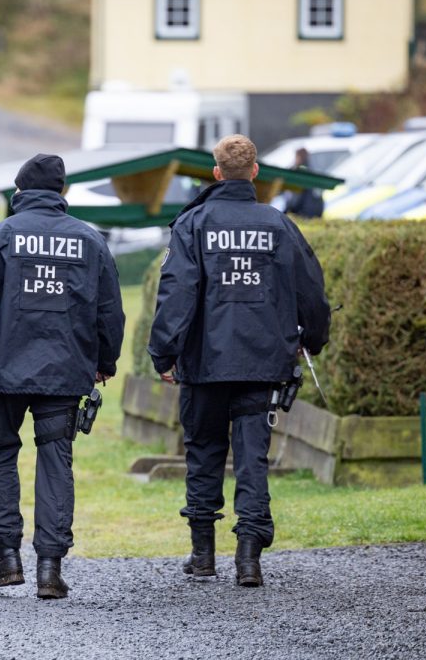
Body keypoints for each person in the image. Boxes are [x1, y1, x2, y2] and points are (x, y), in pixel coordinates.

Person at [148, 135, 330, 587]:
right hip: (262, 362)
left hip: (205, 363)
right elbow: (312, 291)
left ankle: (203, 555)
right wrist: (314, 341)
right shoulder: (278, 225)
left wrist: (163, 353)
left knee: (204, 453)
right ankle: (249, 559)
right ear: (255, 173)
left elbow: (176, 294)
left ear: (215, 173)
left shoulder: (192, 225)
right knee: (252, 458)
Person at [0, 154, 125, 600]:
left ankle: (6, 556)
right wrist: (105, 361)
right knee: (55, 461)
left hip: (5, 371)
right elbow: (110, 311)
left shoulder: (0, 235)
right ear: (62, 193)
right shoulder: (91, 241)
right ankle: (50, 567)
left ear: (19, 193)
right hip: (66, 374)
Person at [284, 148, 325, 218]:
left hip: (304, 212)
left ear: (299, 157)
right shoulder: (312, 171)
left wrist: (287, 211)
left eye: (296, 157)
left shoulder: (298, 172)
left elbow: (294, 202)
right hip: (316, 213)